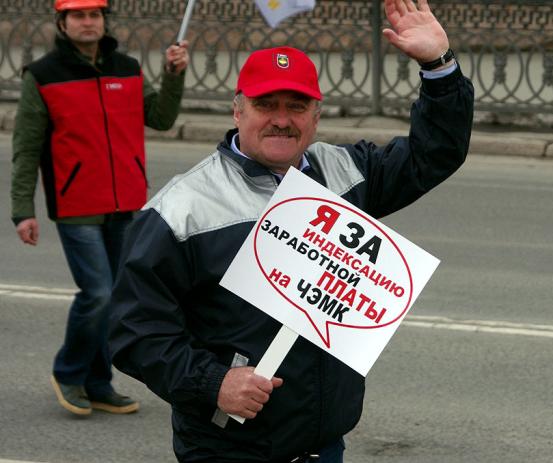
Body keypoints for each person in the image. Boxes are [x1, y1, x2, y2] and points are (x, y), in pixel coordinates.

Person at [108, 0, 472, 460]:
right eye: (266, 105)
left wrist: (437, 66)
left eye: (296, 106)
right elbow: (132, 329)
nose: (282, 119)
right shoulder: (182, 207)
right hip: (228, 449)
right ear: (237, 112)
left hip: (323, 444)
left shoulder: (344, 170)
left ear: (316, 117)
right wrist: (212, 382)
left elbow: (436, 153)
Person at [10, 0, 189, 416]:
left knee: (118, 299)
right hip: (77, 207)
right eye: (78, 15)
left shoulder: (126, 68)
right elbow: (26, 148)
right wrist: (23, 210)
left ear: (104, 21)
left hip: (125, 203)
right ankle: (68, 372)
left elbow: (161, 118)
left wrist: (173, 76)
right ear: (63, 22)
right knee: (98, 294)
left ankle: (97, 381)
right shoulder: (43, 76)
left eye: (94, 15)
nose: (88, 22)